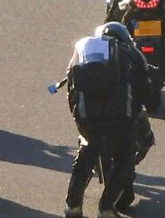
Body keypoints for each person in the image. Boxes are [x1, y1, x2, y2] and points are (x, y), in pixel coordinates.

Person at [60, 21, 156, 218]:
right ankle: (106, 208)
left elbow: (71, 88)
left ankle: (73, 207)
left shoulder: (83, 52)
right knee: (125, 160)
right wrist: (136, 111)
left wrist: (79, 118)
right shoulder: (131, 53)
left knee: (86, 154)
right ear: (125, 37)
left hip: (88, 118)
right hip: (120, 118)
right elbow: (146, 89)